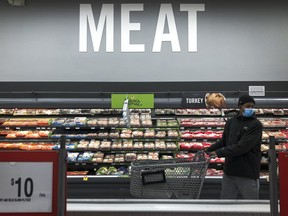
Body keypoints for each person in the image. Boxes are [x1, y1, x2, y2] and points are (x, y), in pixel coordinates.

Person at [206, 95, 263, 199]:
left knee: (252, 207)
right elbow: (224, 141)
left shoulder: (256, 125)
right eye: (248, 106)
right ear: (240, 106)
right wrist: (207, 150)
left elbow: (242, 147)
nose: (250, 109)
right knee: (225, 206)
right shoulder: (231, 122)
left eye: (252, 106)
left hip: (247, 173)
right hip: (230, 172)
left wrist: (217, 153)